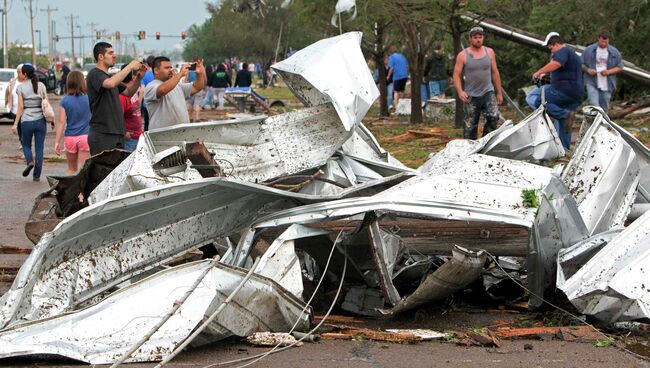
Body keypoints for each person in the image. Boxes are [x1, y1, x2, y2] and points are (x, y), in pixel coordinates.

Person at [527, 32, 583, 150]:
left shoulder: (563, 51)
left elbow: (556, 63)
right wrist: (545, 74)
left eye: (550, 46)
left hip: (563, 91)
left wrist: (538, 72)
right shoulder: (573, 54)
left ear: (556, 44)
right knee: (565, 124)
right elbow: (563, 68)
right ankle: (564, 150)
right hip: (576, 94)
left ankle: (563, 115)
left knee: (539, 102)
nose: (550, 49)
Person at [87, 42, 146, 155]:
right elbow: (110, 84)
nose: (114, 55)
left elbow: (129, 92)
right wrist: (129, 67)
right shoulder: (95, 74)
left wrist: (138, 77)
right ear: (100, 57)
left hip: (117, 135)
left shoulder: (109, 77)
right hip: (103, 135)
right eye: (110, 53)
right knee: (103, 172)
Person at [453, 26, 503, 139]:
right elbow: (456, 74)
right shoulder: (463, 55)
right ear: (470, 39)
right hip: (471, 95)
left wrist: (499, 92)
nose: (478, 40)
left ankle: (485, 140)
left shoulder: (489, 52)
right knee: (470, 126)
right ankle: (470, 149)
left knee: (494, 116)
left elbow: (495, 72)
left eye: (480, 37)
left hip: (488, 92)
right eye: (475, 37)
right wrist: (460, 91)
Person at [144, 56, 206, 129]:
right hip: (162, 137)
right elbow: (162, 90)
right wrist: (180, 74)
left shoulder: (177, 86)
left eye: (171, 67)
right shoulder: (151, 86)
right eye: (167, 68)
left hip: (182, 134)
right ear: (156, 71)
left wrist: (199, 73)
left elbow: (197, 87)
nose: (170, 70)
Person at [10, 64, 49, 181]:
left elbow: (21, 107)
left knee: (26, 145)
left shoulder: (20, 88)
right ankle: (36, 176)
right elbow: (46, 103)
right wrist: (51, 120)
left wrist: (15, 123)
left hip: (26, 120)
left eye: (21, 72)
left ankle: (29, 161)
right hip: (41, 120)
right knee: (39, 148)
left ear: (25, 74)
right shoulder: (41, 85)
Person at [55, 71, 91, 174]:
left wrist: (57, 142)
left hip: (70, 138)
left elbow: (61, 123)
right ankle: (81, 191)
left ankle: (70, 189)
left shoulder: (64, 101)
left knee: (71, 169)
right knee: (82, 170)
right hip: (85, 137)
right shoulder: (89, 99)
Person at [582, 29, 624, 112]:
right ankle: (594, 121)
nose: (604, 44)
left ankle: (603, 122)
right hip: (592, 81)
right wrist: (587, 70)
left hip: (607, 83)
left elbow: (620, 67)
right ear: (598, 39)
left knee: (604, 105)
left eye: (606, 42)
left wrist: (608, 72)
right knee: (593, 103)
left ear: (608, 40)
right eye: (602, 41)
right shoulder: (589, 50)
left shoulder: (614, 52)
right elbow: (581, 63)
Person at [119, 64, 144, 151]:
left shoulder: (133, 92)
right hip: (130, 140)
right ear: (134, 77)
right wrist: (124, 133)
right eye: (139, 75)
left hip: (137, 137)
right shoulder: (122, 96)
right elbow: (117, 116)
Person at [5, 64, 24, 148]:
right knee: (19, 128)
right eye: (18, 72)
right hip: (14, 110)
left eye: (21, 72)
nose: (19, 73)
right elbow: (8, 92)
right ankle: (21, 141)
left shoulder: (27, 82)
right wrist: (7, 102)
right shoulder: (13, 81)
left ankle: (25, 143)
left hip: (24, 110)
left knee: (24, 128)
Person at [141, 55, 156, 131]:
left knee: (147, 124)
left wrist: (139, 103)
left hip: (147, 104)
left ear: (147, 63)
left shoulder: (144, 75)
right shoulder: (158, 74)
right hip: (157, 103)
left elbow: (142, 90)